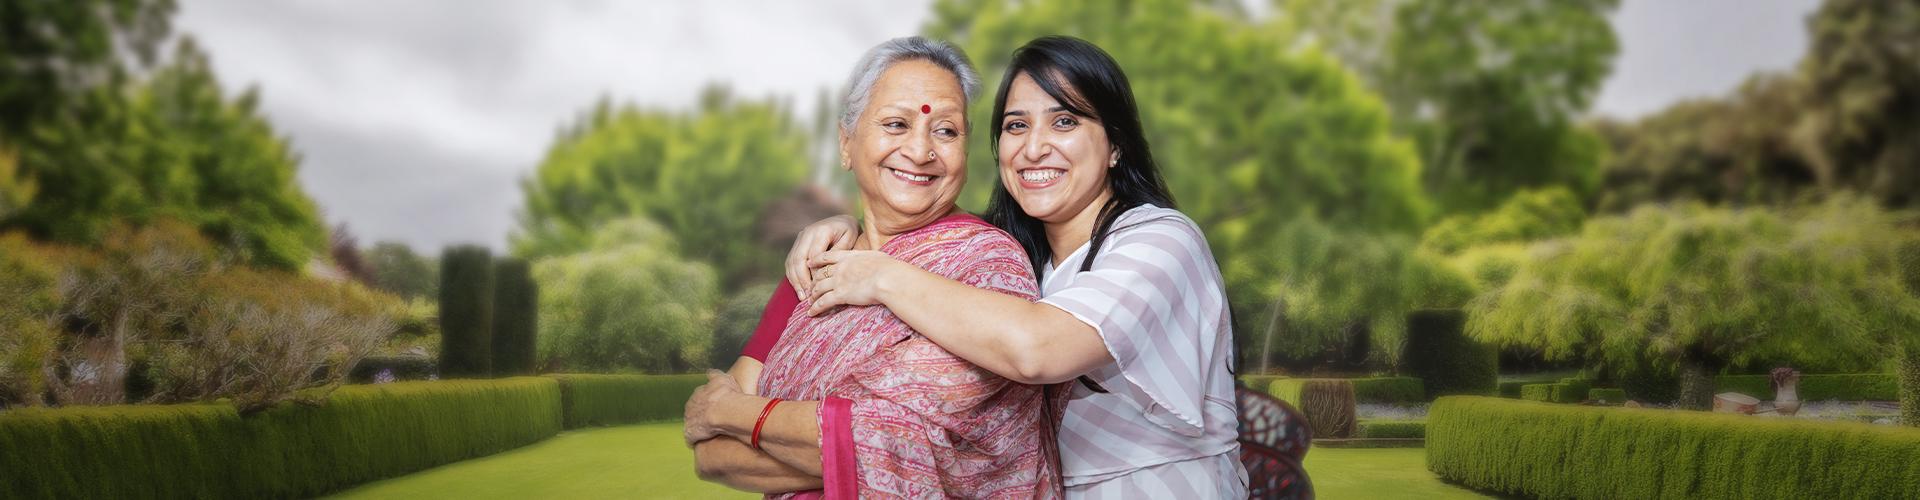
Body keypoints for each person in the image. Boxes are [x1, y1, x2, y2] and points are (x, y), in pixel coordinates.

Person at [786, 36, 1248, 496]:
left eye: (1064, 121)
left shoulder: (1163, 241)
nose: (1033, 149)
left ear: (1115, 146)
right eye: (1016, 125)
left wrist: (880, 273)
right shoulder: (1009, 260)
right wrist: (853, 226)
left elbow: (1037, 349)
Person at [684, 36, 1065, 499]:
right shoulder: (813, 269)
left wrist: (729, 413)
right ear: (847, 143)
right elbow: (713, 454)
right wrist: (857, 443)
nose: (921, 151)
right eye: (896, 124)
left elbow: (893, 438)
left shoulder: (986, 266)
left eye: (946, 131)